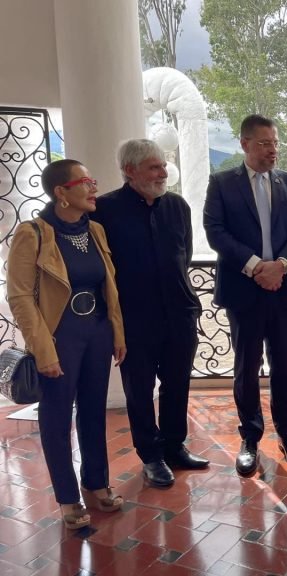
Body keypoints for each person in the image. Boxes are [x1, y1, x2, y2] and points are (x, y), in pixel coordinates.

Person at [7, 159, 126, 529]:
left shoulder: (95, 231)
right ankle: (67, 497)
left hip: (97, 331)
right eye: (86, 181)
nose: (94, 188)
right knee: (57, 415)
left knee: (93, 410)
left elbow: (109, 287)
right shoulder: (33, 234)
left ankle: (96, 482)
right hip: (60, 336)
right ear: (62, 192)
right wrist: (42, 349)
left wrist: (117, 333)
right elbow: (21, 297)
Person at [92, 139, 207, 488]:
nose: (163, 172)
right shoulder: (104, 210)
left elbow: (182, 256)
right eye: (154, 167)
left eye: (163, 165)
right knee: (139, 390)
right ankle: (151, 456)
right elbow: (103, 269)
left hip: (179, 312)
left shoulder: (177, 206)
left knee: (177, 384)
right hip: (134, 319)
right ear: (130, 170)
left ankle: (174, 446)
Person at [204, 114, 287, 474]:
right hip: (243, 290)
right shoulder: (221, 183)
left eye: (276, 143)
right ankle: (250, 437)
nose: (273, 150)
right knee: (246, 367)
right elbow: (214, 231)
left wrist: (279, 265)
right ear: (245, 144)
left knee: (284, 366)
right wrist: (254, 266)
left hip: (282, 289)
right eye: (265, 143)